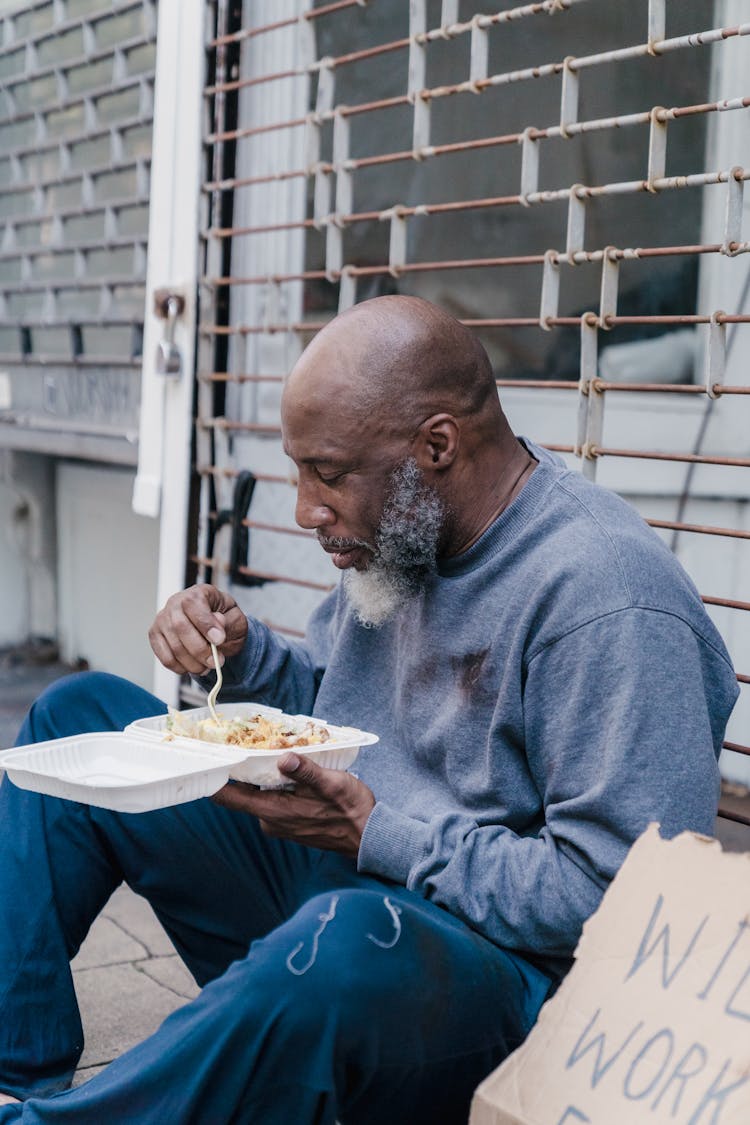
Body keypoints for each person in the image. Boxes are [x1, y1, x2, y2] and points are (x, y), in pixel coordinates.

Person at [0, 296, 738, 1124]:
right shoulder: (408, 531)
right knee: (76, 713)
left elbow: (622, 900)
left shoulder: (606, 598)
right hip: (355, 891)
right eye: (299, 470)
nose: (306, 508)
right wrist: (241, 660)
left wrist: (379, 833)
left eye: (330, 473)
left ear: (436, 445)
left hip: (498, 989)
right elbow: (333, 704)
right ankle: (13, 1073)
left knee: (344, 943)